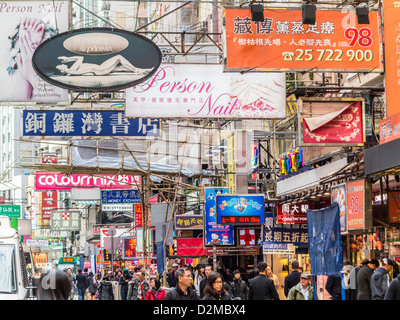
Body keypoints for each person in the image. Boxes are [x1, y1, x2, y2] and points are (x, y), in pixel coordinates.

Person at [55, 55, 153, 76]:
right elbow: (80, 58)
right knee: (119, 57)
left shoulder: (72, 68)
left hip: (100, 68)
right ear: (62, 71)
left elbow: (80, 58)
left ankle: (146, 70)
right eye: (60, 67)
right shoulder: (71, 70)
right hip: (100, 70)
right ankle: (137, 70)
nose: (61, 65)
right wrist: (68, 59)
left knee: (123, 67)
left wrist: (68, 59)